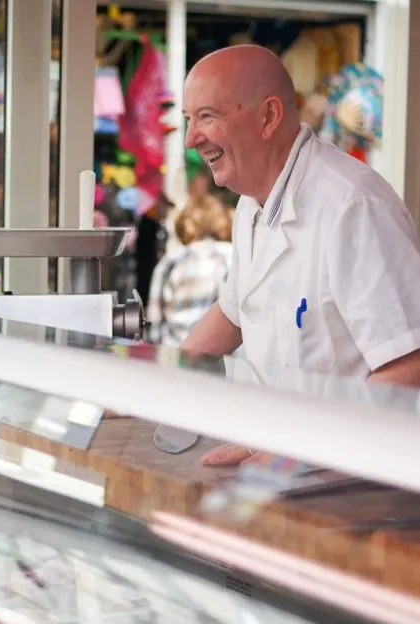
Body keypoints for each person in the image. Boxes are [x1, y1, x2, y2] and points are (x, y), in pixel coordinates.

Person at [181, 44, 420, 466]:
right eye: (188, 120)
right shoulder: (251, 203)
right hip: (286, 464)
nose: (191, 138)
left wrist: (298, 452)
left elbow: (408, 365)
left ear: (268, 117)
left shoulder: (353, 206)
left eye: (207, 117)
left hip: (357, 477)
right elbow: (234, 312)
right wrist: (153, 389)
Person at [147, 196, 232, 346]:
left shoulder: (170, 262)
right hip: (225, 359)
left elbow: (155, 325)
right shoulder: (232, 257)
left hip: (178, 354)